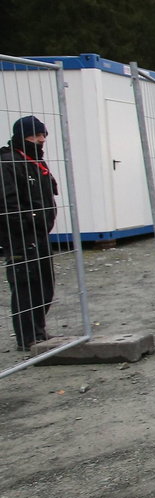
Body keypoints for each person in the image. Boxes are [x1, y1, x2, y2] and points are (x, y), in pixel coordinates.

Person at [1, 116, 59, 351]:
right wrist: (25, 227)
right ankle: (27, 338)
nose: (40, 140)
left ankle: (39, 330)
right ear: (20, 137)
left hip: (40, 234)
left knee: (45, 285)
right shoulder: (7, 162)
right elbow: (8, 203)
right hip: (20, 237)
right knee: (25, 285)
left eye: (42, 135)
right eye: (34, 136)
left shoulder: (36, 162)